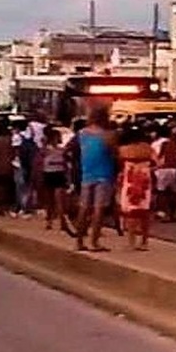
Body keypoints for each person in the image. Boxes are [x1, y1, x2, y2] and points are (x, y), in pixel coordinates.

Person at [74, 105, 118, 252]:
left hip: (87, 173)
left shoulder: (82, 133)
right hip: (104, 173)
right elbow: (114, 154)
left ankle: (79, 241)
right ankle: (94, 242)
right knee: (99, 209)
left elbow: (72, 150)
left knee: (84, 207)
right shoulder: (108, 135)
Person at [117, 125, 156, 251]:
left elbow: (118, 164)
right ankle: (144, 241)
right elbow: (158, 163)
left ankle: (131, 241)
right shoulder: (148, 149)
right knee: (144, 212)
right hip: (145, 181)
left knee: (130, 212)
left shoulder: (123, 149)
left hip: (130, 181)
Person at [40, 128, 70, 231]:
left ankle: (62, 222)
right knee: (49, 201)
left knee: (59, 200)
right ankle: (49, 221)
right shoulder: (46, 150)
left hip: (59, 174)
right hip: (49, 174)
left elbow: (66, 163)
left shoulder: (62, 150)